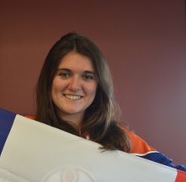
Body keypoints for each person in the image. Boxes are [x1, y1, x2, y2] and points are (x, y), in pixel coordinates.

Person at [34, 32, 186, 171]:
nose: (74, 86)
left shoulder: (121, 141)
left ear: (99, 85)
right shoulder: (23, 129)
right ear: (49, 80)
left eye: (87, 77)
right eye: (65, 74)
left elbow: (176, 175)